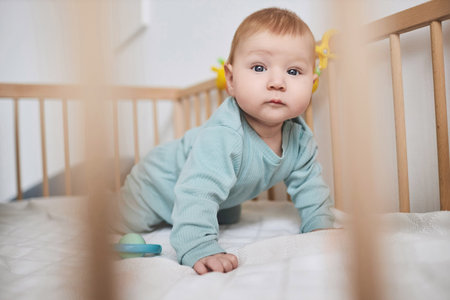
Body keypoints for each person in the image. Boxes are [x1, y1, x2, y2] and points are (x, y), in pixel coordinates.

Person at [115, 7, 335, 275]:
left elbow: (311, 188)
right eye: (259, 67)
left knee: (228, 215)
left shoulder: (301, 140)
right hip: (156, 185)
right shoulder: (225, 133)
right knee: (118, 219)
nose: (277, 82)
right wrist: (198, 245)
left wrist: (321, 227)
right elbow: (197, 191)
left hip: (221, 198)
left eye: (293, 71)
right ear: (231, 79)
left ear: (312, 83)